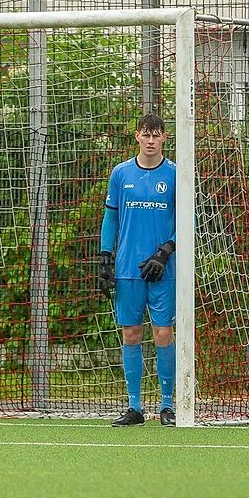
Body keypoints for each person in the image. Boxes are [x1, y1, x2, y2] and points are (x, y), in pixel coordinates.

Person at [99, 114, 178, 427]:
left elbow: (189, 221)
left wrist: (165, 251)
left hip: (163, 270)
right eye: (145, 135)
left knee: (163, 333)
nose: (150, 140)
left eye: (155, 135)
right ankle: (134, 407)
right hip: (128, 269)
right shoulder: (121, 174)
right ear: (136, 137)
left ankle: (168, 406)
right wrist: (105, 258)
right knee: (131, 334)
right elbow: (111, 219)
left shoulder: (175, 174)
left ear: (164, 139)